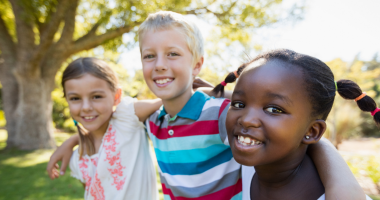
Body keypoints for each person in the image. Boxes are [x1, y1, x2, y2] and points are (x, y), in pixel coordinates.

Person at [48, 12, 366, 200]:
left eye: (173, 54)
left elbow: (283, 136)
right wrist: (71, 140)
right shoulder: (153, 120)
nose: (159, 65)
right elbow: (104, 119)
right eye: (149, 56)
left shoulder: (219, 114)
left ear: (197, 64)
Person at [212, 49, 372, 200]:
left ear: (312, 131)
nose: (246, 119)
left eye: (273, 109)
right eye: (239, 104)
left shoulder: (344, 195)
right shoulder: (245, 162)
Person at [47, 57, 160, 200]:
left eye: (96, 96)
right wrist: (73, 141)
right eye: (75, 98)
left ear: (116, 96)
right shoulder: (78, 159)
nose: (86, 107)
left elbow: (169, 100)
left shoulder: (127, 117)